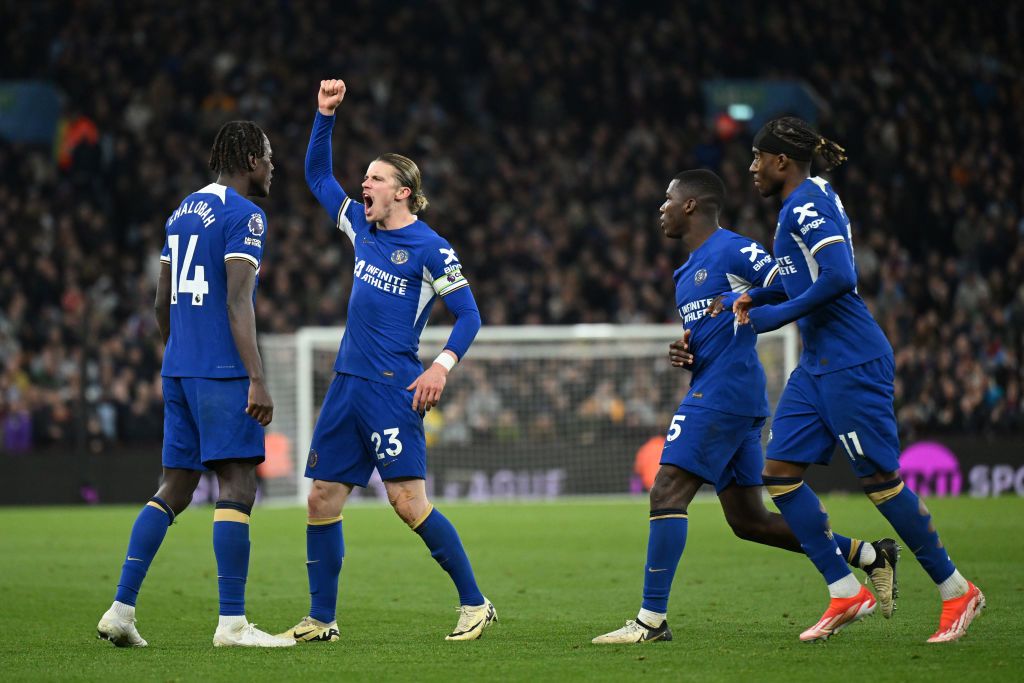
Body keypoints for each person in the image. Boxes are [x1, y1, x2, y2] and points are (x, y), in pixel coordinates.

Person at [592, 170, 895, 645]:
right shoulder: (683, 274)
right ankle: (867, 556)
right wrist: (688, 350)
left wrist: (743, 296)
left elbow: (788, 285)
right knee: (748, 521)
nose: (661, 208)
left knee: (666, 491)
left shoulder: (734, 249)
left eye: (667, 199)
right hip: (719, 387)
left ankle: (651, 620)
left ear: (691, 205)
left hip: (725, 394)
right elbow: (718, 328)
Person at [729, 116, 984, 643]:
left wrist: (777, 317)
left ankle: (956, 588)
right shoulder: (798, 203)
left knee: (879, 483)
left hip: (851, 359)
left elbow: (843, 276)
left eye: (757, 157)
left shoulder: (806, 203)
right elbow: (803, 276)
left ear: (782, 160)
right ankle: (847, 590)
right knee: (778, 475)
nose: (751, 168)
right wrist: (763, 296)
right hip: (818, 365)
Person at [277, 79, 494, 643]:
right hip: (347, 384)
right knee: (321, 499)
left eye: (374, 177)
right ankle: (321, 619)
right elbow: (318, 177)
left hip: (393, 387)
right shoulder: (360, 227)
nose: (363, 184)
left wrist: (441, 366)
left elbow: (469, 315)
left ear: (402, 191)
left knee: (406, 501)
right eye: (366, 177)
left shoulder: (432, 248)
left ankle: (474, 603)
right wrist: (324, 115)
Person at [97, 121, 294, 648]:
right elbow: (237, 301)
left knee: (175, 487)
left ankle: (121, 608)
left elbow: (161, 303)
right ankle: (232, 623)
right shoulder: (245, 216)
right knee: (237, 484)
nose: (273, 165)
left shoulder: (181, 212)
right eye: (269, 156)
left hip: (180, 368)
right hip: (222, 372)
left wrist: (179, 353)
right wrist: (256, 376)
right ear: (250, 158)